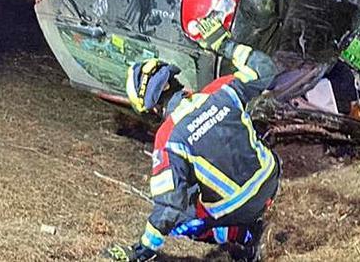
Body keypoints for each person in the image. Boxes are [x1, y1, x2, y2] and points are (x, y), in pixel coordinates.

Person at [106, 14, 279, 262]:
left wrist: (143, 249)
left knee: (182, 219)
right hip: (271, 180)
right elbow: (265, 69)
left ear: (153, 109)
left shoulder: (169, 138)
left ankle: (246, 237)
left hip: (235, 210)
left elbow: (169, 207)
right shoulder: (222, 90)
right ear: (174, 80)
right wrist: (224, 44)